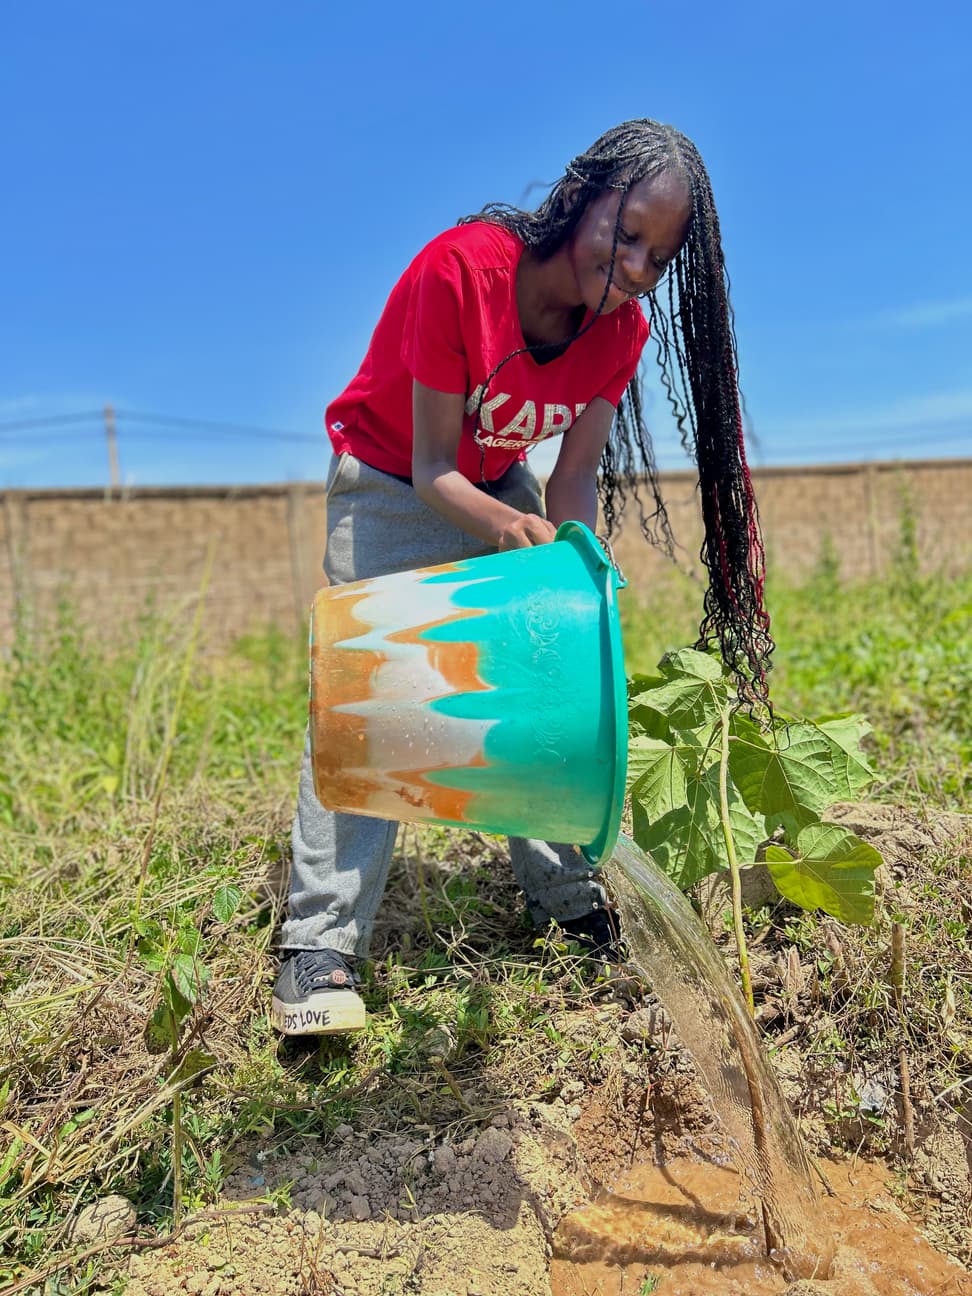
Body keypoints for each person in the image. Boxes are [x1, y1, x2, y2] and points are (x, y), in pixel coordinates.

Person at [271, 118, 774, 1036]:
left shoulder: (617, 334)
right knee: (366, 701)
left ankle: (565, 894)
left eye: (657, 260)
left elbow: (572, 477)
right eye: (626, 236)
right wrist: (510, 527)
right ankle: (320, 948)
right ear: (582, 197)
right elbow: (430, 468)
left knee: (540, 679)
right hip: (387, 483)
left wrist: (572, 580)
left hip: (499, 483)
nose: (633, 270)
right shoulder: (461, 273)